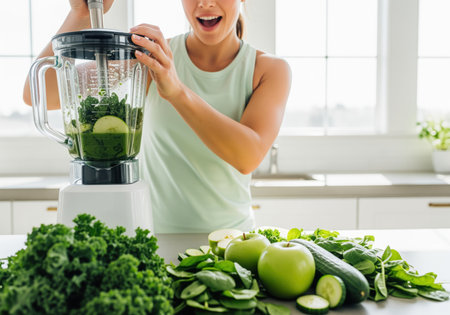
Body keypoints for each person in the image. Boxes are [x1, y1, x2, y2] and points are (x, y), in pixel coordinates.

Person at [23, 0, 291, 233]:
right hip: (153, 239)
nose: (205, 3)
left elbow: (248, 156)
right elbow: (38, 94)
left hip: (231, 244)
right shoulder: (154, 57)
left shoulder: (269, 69)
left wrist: (176, 91)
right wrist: (79, 14)